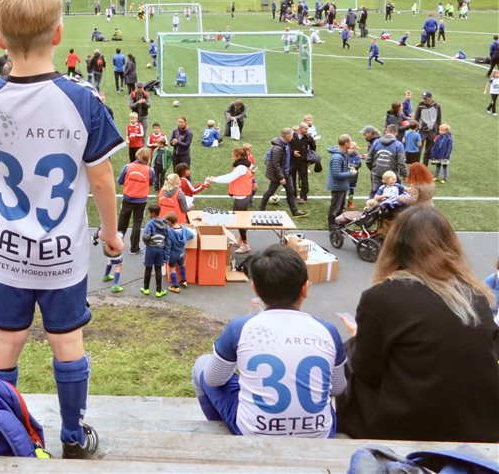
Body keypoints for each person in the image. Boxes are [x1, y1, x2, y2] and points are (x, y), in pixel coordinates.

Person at [0, 0, 125, 460]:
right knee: (67, 339)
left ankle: (1, 430)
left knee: (6, 338)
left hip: (7, 247)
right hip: (62, 251)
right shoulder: (84, 101)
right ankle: (74, 436)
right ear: (58, 34)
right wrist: (112, 233)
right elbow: (101, 179)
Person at [336, 207, 499, 442]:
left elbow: (367, 372)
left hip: (413, 426)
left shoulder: (382, 297)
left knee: (348, 360)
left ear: (394, 246)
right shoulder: (475, 295)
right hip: (479, 423)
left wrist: (356, 341)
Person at [192, 245, 347, 438]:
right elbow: (338, 387)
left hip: (254, 432)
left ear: (255, 288)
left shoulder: (240, 328)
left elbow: (213, 379)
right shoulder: (327, 330)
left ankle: (223, 436)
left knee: (201, 365)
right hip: (319, 435)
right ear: (305, 288)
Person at [206, 147, 256, 253]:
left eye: (233, 154)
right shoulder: (244, 165)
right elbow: (231, 176)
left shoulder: (241, 167)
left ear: (238, 156)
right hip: (244, 195)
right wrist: (216, 177)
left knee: (240, 221)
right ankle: (241, 240)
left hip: (242, 196)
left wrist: (214, 179)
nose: (231, 156)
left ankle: (245, 244)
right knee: (242, 219)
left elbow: (229, 178)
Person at [259, 128, 307, 218]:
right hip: (278, 175)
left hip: (286, 173)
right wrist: (281, 177)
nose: (293, 137)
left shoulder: (285, 144)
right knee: (270, 191)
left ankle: (294, 212)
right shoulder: (277, 148)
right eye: (292, 135)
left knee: (290, 191)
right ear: (287, 136)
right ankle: (261, 209)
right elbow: (276, 164)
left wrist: (293, 153)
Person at [116, 147, 154, 256]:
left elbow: (120, 181)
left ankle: (118, 244)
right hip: (141, 201)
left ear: (137, 155)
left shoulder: (128, 167)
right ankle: (134, 248)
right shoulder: (150, 170)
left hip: (127, 198)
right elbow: (151, 182)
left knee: (123, 220)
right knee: (137, 223)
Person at [325, 135, 358, 228]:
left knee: (340, 208)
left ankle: (338, 227)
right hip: (337, 186)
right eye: (350, 142)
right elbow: (337, 174)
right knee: (335, 208)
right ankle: (332, 228)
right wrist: (351, 173)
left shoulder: (343, 154)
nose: (351, 144)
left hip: (342, 185)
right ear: (346, 143)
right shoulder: (337, 157)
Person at [365, 125, 407, 196]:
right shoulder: (398, 145)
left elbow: (368, 159)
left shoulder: (376, 142)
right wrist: (404, 174)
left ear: (386, 131)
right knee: (393, 196)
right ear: (396, 133)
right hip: (391, 175)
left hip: (377, 173)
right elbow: (401, 162)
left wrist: (373, 169)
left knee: (375, 194)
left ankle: (371, 206)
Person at [140, 205, 168, 298]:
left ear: (152, 213)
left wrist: (147, 243)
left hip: (150, 249)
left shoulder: (150, 224)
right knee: (158, 269)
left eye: (149, 212)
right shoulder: (164, 223)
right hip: (160, 249)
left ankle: (146, 289)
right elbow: (167, 236)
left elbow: (146, 236)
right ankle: (158, 291)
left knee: (148, 268)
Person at [163, 212, 195, 293]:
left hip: (173, 255)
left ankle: (175, 286)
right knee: (182, 265)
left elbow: (168, 246)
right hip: (181, 253)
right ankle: (184, 281)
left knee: (172, 269)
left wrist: (166, 257)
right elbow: (192, 235)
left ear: (169, 222)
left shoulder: (170, 232)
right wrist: (185, 239)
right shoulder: (184, 229)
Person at [289, 122, 315, 204]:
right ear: (300, 129)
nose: (307, 130)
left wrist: (310, 157)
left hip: (303, 162)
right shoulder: (292, 136)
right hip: (292, 162)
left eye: (308, 128)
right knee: (291, 179)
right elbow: (287, 147)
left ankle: (303, 197)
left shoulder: (309, 137)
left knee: (304, 180)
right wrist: (293, 152)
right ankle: (293, 195)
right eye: (306, 128)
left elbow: (313, 147)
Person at [414, 91, 442, 165]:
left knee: (428, 151)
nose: (424, 100)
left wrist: (438, 133)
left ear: (430, 98)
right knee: (418, 150)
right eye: (423, 98)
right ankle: (416, 166)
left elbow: (439, 119)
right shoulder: (420, 106)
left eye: (425, 98)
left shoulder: (437, 106)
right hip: (421, 132)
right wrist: (417, 129)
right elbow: (416, 119)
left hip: (432, 132)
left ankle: (424, 167)